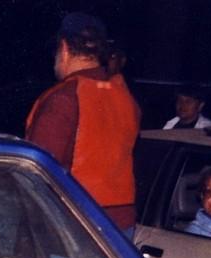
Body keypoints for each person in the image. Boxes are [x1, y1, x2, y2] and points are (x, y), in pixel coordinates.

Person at [25, 12, 140, 235]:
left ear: (64, 48)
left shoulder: (64, 98)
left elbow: (37, 174)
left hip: (76, 224)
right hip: (120, 226)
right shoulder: (125, 97)